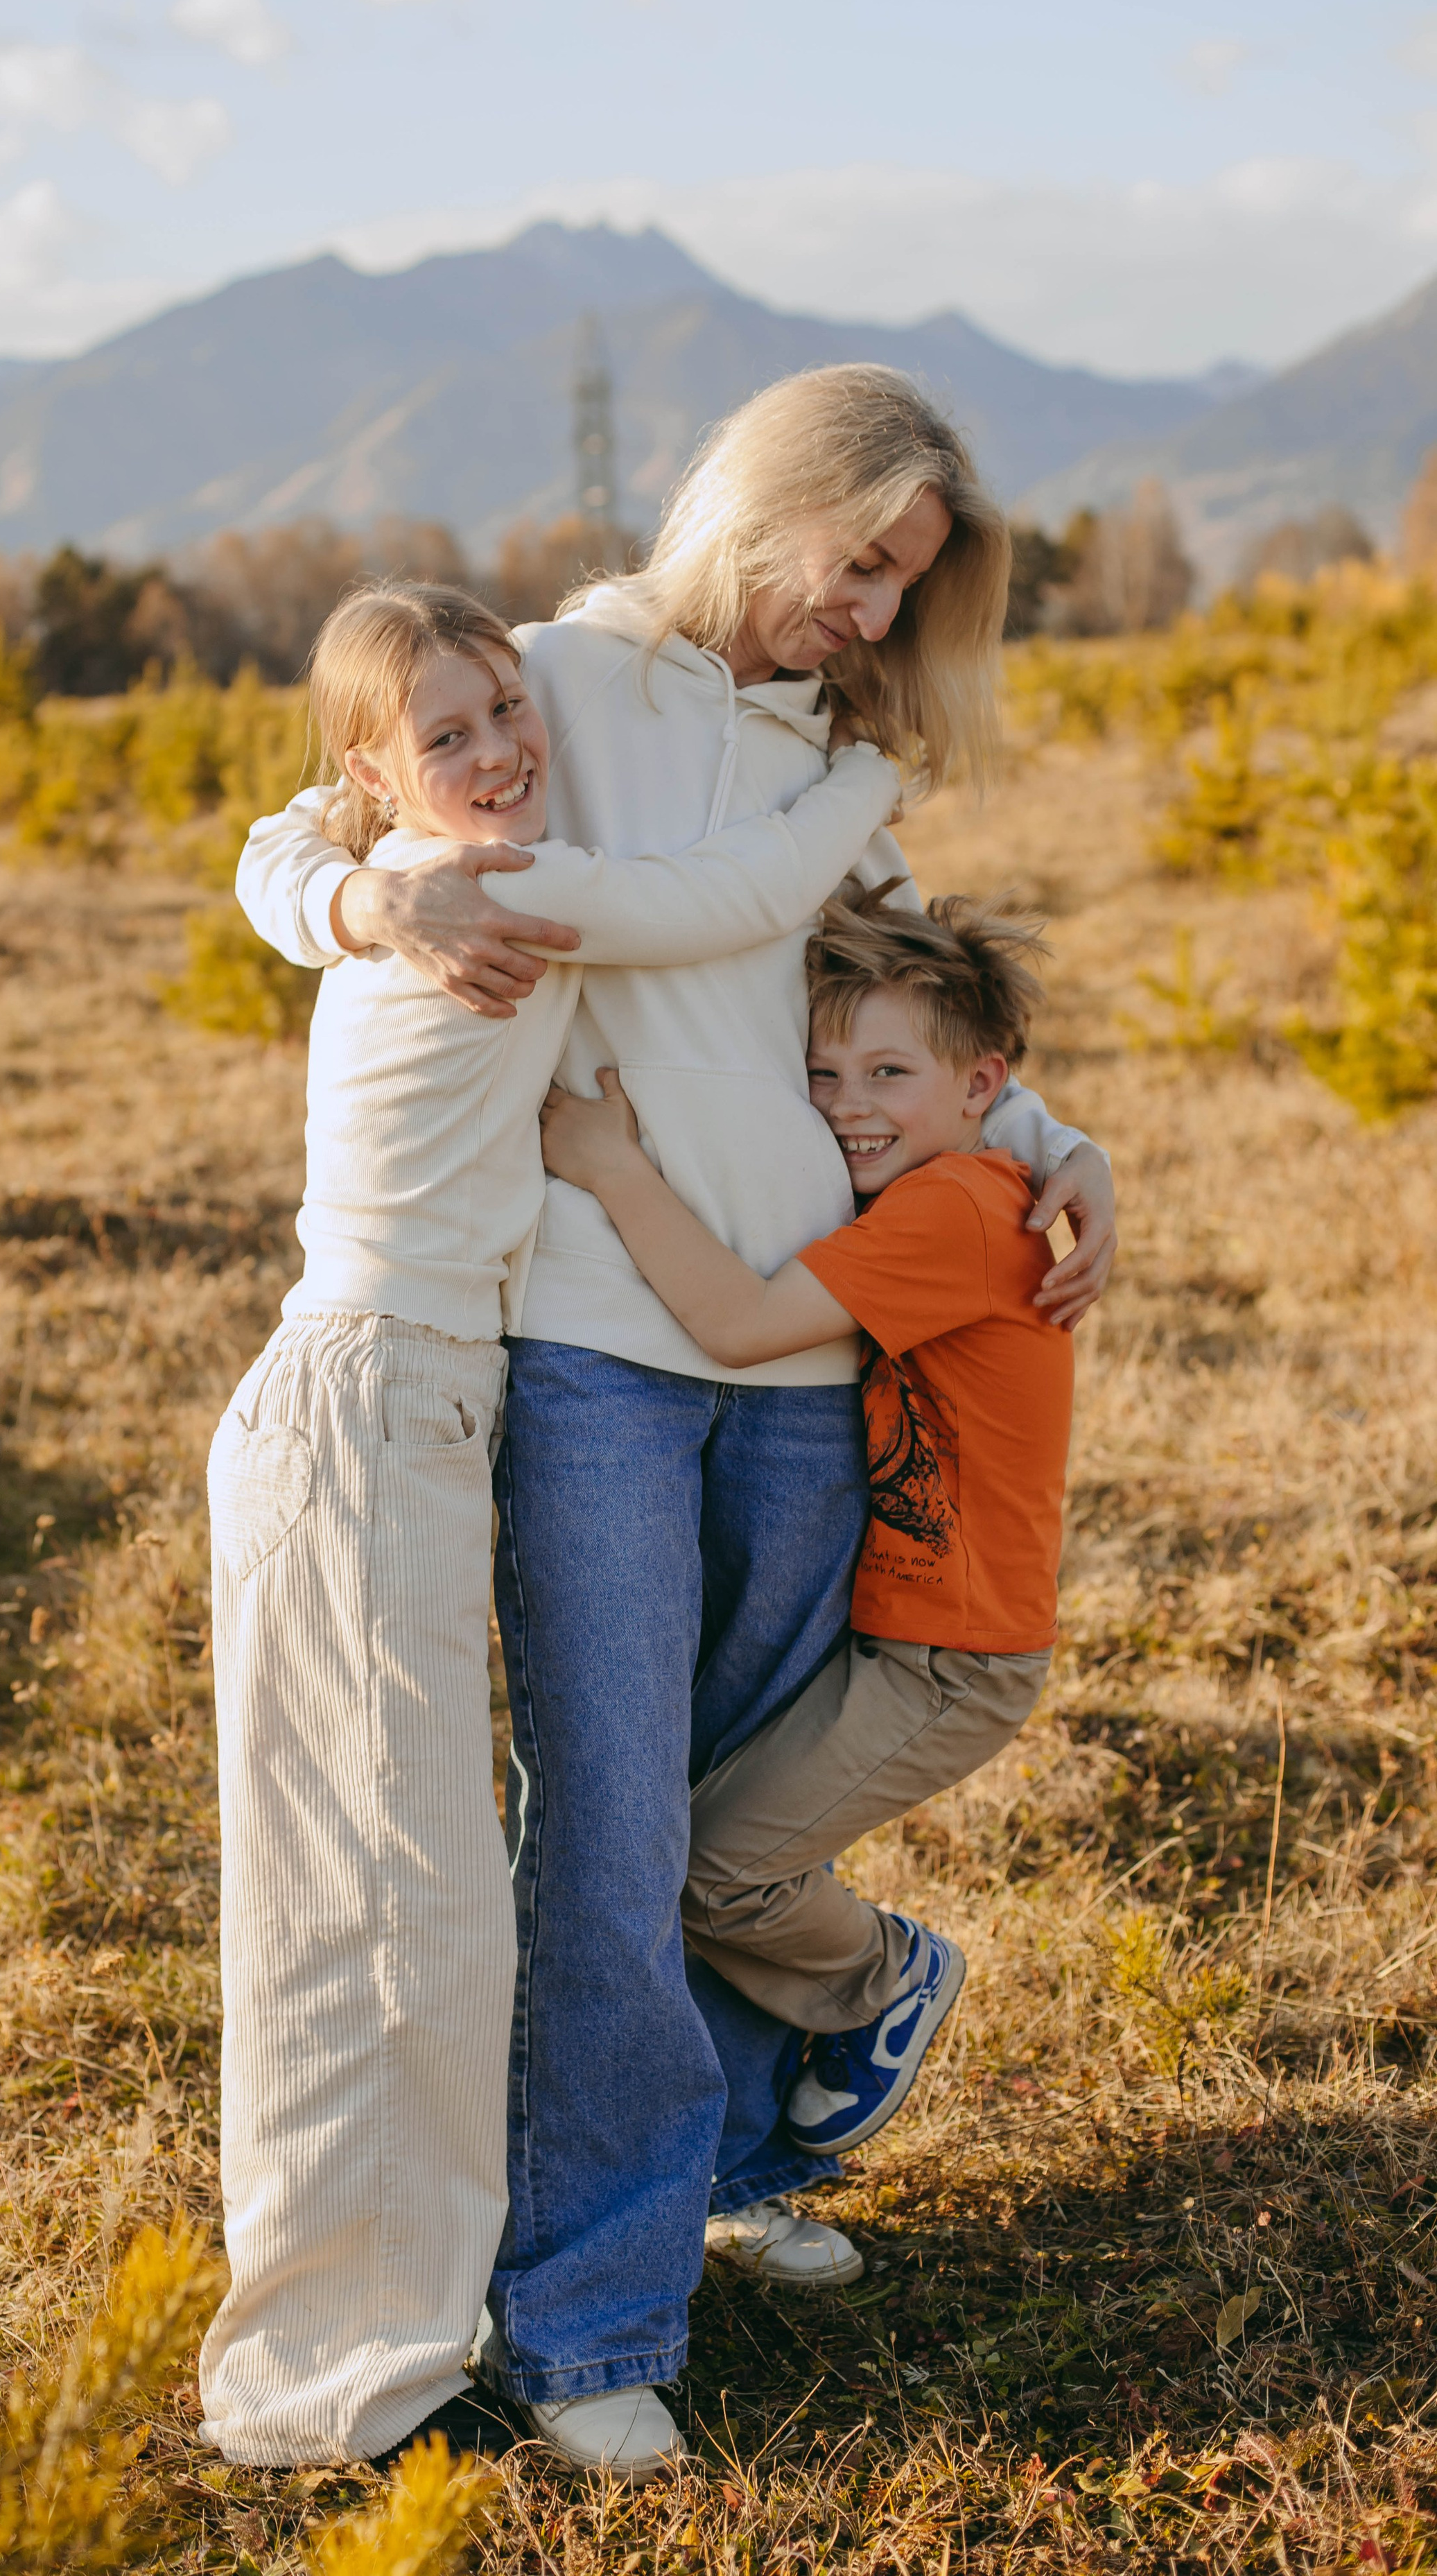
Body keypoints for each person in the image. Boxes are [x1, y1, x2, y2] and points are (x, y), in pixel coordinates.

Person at [235, 365, 1117, 2482]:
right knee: (614, 1837)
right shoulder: (544, 682)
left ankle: (720, 2185)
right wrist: (376, 902)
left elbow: (911, 991)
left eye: (910, 594)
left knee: (733, 1820)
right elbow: (286, 841)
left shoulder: (829, 755)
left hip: (808, 1371)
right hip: (603, 1359)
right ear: (774, 499)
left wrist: (1065, 1136)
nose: (875, 617)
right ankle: (593, 2313)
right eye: (865, 563)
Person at [198, 578, 908, 2471]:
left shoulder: (468, 871)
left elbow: (294, 851)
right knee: (378, 1914)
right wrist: (873, 768)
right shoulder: (490, 899)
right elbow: (742, 902)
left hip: (422, 1405)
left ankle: (390, 2344)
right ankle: (335, 2389)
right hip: (362, 1405)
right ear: (375, 770)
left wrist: (354, 879)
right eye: (450, 733)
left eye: (512, 708)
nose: (505, 748)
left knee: (411, 1905)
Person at [540, 880, 1074, 2163]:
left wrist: (614, 1166)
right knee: (712, 1834)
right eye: (824, 1073)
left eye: (888, 1073)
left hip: (953, 1663)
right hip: (903, 1635)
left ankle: (885, 1979)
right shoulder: (940, 1189)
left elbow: (734, 1319)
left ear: (981, 1085)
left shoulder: (952, 1211)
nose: (845, 1106)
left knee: (718, 1869)